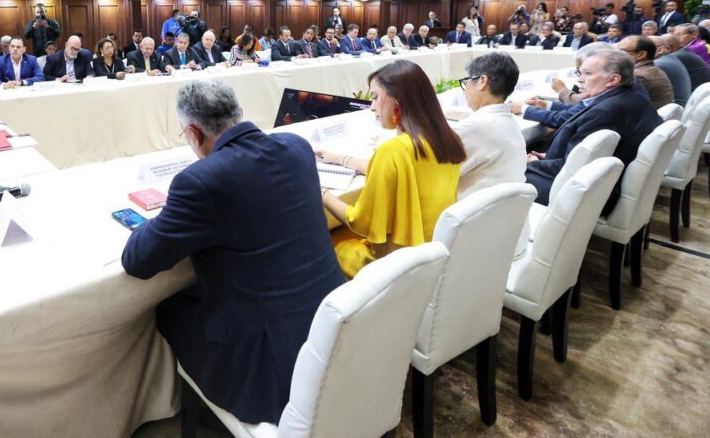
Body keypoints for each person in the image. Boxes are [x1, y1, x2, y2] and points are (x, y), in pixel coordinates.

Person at [121, 80, 344, 425]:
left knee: (167, 307)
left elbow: (137, 261)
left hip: (271, 371)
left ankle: (181, 414)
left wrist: (158, 219)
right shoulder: (296, 147)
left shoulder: (199, 182)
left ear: (193, 133)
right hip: (333, 330)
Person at [319, 61, 465, 277]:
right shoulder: (444, 139)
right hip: (434, 253)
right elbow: (400, 171)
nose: (371, 106)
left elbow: (358, 221)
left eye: (375, 97)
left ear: (397, 100)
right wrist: (341, 159)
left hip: (397, 266)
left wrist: (321, 192)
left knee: (337, 248)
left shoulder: (394, 150)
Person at [525, 49, 661, 209]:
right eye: (579, 73)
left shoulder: (606, 111)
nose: (580, 80)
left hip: (586, 193)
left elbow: (572, 169)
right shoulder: (632, 95)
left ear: (613, 80)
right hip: (601, 180)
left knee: (499, 173)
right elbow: (588, 154)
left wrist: (534, 164)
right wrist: (548, 156)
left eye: (587, 74)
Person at [453, 54, 527, 199]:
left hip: (468, 215)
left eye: (467, 81)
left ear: (482, 81)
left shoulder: (474, 127)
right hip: (504, 214)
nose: (464, 89)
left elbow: (433, 172)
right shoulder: (509, 121)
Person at [617, 35, 674, 109]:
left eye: (621, 51)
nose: (616, 55)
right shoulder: (651, 69)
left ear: (641, 55)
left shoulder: (639, 76)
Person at [651, 35, 692, 107]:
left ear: (660, 50)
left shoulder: (659, 64)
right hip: (678, 108)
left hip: (673, 111)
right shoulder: (670, 58)